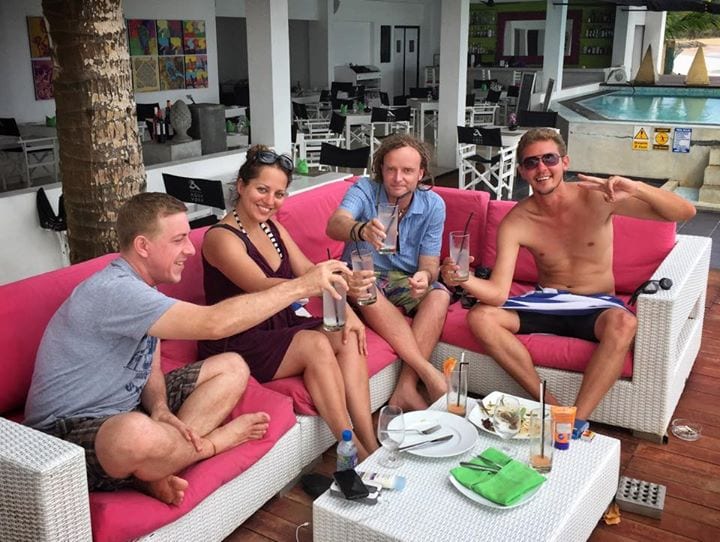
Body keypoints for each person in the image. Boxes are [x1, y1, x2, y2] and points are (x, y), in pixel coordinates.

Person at [24, 192, 350, 505]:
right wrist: (301, 286)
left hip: (126, 407)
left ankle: (156, 466)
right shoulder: (116, 291)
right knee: (134, 434)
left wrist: (161, 409)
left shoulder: (144, 288)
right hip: (63, 434)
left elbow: (147, 365)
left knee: (232, 365)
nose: (190, 251)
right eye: (179, 240)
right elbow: (214, 324)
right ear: (143, 246)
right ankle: (205, 446)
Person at [441, 127, 696, 437]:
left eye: (549, 158)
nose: (541, 168)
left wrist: (636, 187)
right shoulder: (517, 221)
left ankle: (574, 420)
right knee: (481, 316)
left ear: (564, 162)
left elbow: (685, 211)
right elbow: (496, 293)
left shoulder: (598, 197)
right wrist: (461, 278)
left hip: (597, 304)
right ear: (522, 171)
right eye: (531, 162)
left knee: (624, 324)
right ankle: (549, 406)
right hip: (548, 301)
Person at [198, 145, 377, 460]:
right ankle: (353, 450)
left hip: (278, 324)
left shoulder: (272, 226)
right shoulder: (220, 238)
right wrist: (319, 284)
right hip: (239, 335)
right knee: (315, 345)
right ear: (240, 186)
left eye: (279, 194)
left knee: (349, 335)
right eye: (262, 190)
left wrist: (349, 311)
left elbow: (308, 269)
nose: (270, 201)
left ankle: (369, 439)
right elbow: (264, 286)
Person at [326, 133, 449, 411]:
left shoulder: (433, 205)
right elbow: (334, 224)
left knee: (439, 296)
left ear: (421, 174)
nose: (397, 178)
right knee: (366, 286)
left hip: (400, 280)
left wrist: (425, 278)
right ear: (381, 169)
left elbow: (430, 264)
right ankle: (427, 373)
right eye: (391, 169)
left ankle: (404, 388)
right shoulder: (366, 189)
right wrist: (361, 229)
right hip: (361, 275)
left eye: (407, 171)